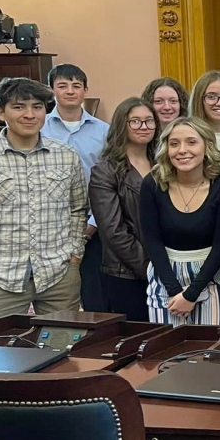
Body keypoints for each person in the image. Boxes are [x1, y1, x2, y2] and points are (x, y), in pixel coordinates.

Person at [0, 77, 86, 319]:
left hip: (58, 275)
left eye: (37, 107)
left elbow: (78, 209)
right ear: (1, 112)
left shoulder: (66, 156)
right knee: (0, 352)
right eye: (19, 107)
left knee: (63, 346)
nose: (30, 115)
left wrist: (74, 256)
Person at [139, 116, 220, 325]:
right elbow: (152, 241)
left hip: (211, 278)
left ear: (206, 146)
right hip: (165, 277)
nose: (182, 150)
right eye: (174, 144)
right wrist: (176, 292)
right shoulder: (152, 185)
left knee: (209, 352)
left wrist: (191, 294)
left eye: (191, 142)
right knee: (164, 353)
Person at [42, 62, 110, 312]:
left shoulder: (104, 131)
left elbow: (109, 181)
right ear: (52, 90)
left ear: (85, 90)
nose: (70, 91)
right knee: (57, 295)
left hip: (95, 220)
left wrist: (92, 224)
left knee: (93, 291)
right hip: (52, 224)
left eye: (76, 86)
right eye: (62, 86)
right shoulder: (40, 129)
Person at [88, 98, 156, 320]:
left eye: (149, 121)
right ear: (121, 125)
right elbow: (113, 231)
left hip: (169, 270)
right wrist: (150, 268)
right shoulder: (105, 171)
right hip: (126, 274)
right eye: (135, 121)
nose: (144, 127)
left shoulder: (165, 164)